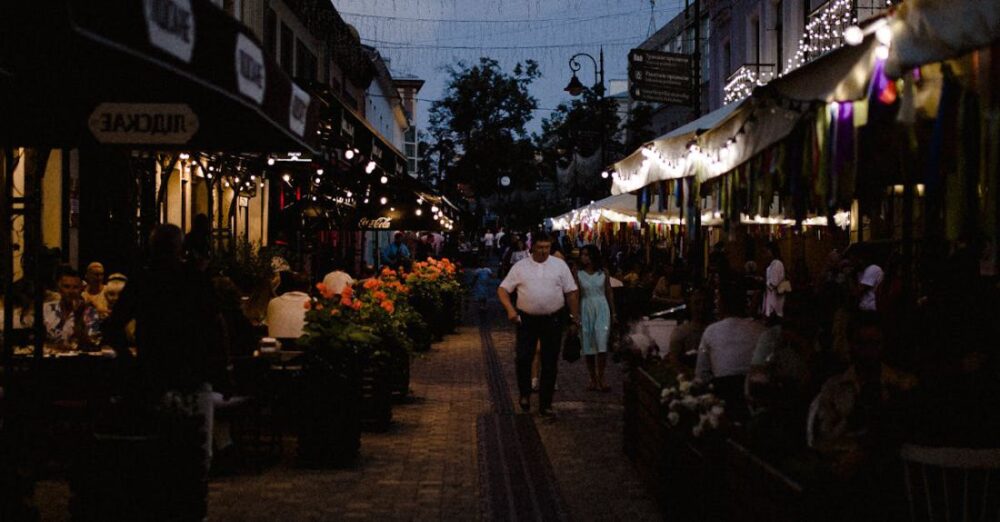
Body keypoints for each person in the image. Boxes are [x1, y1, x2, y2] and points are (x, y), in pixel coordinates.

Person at [102, 224, 226, 521]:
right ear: (180, 249)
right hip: (191, 377)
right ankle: (190, 509)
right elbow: (216, 328)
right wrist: (223, 368)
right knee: (196, 453)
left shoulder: (143, 281)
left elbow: (113, 327)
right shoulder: (195, 279)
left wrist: (128, 361)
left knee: (159, 451)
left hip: (154, 377)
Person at [497, 231, 580, 416]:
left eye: (547, 247)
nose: (544, 251)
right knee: (523, 358)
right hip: (527, 319)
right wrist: (510, 310)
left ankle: (546, 403)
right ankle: (525, 393)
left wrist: (575, 318)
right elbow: (503, 289)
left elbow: (571, 292)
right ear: (532, 247)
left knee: (550, 361)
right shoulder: (521, 267)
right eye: (540, 247)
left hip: (553, 318)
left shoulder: (559, 266)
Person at [696, 283, 766, 415]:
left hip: (723, 407)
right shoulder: (761, 330)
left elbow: (701, 375)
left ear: (721, 303)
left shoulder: (711, 332)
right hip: (756, 405)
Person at [576, 245, 615, 392]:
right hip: (586, 307)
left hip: (602, 308)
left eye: (586, 254)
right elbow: (577, 294)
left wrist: (614, 312)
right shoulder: (578, 273)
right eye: (582, 254)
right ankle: (592, 378)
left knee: (602, 342)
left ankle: (601, 377)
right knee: (589, 345)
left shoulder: (603, 272)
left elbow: (609, 292)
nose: (584, 257)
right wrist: (575, 315)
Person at [43, 265, 101, 349]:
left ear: (81, 289)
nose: (71, 291)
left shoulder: (89, 311)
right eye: (66, 287)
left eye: (75, 287)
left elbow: (93, 344)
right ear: (59, 288)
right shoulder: (46, 309)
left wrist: (78, 318)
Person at [667, 288, 710, 368]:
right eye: (697, 303)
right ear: (690, 305)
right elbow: (674, 361)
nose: (702, 307)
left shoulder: (715, 330)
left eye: (705, 302)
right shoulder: (681, 332)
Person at [264, 271, 311, 340]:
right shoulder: (314, 303)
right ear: (309, 288)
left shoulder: (273, 302)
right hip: (303, 348)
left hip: (277, 348)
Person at [763, 242, 786, 319]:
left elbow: (774, 282)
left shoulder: (777, 264)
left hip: (775, 296)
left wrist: (765, 282)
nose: (765, 254)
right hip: (772, 295)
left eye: (766, 251)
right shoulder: (773, 264)